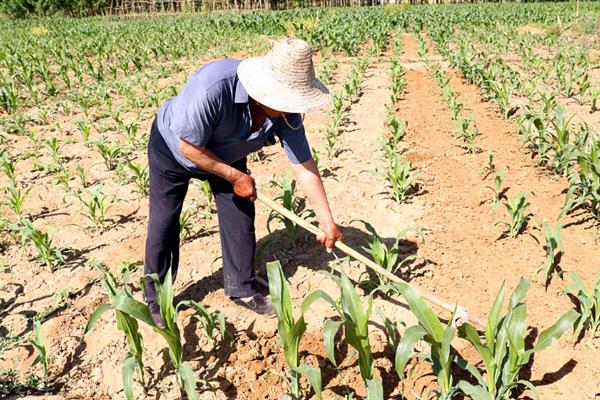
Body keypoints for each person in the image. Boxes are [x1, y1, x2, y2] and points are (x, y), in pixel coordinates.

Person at [145, 37, 343, 327]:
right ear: (267, 91)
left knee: (240, 215)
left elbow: (303, 166)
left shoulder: (286, 115)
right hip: (175, 151)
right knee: (164, 223)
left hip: (228, 152)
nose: (292, 108)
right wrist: (235, 176)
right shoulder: (213, 85)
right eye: (287, 100)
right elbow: (188, 146)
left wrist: (327, 220)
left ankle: (241, 287)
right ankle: (156, 299)